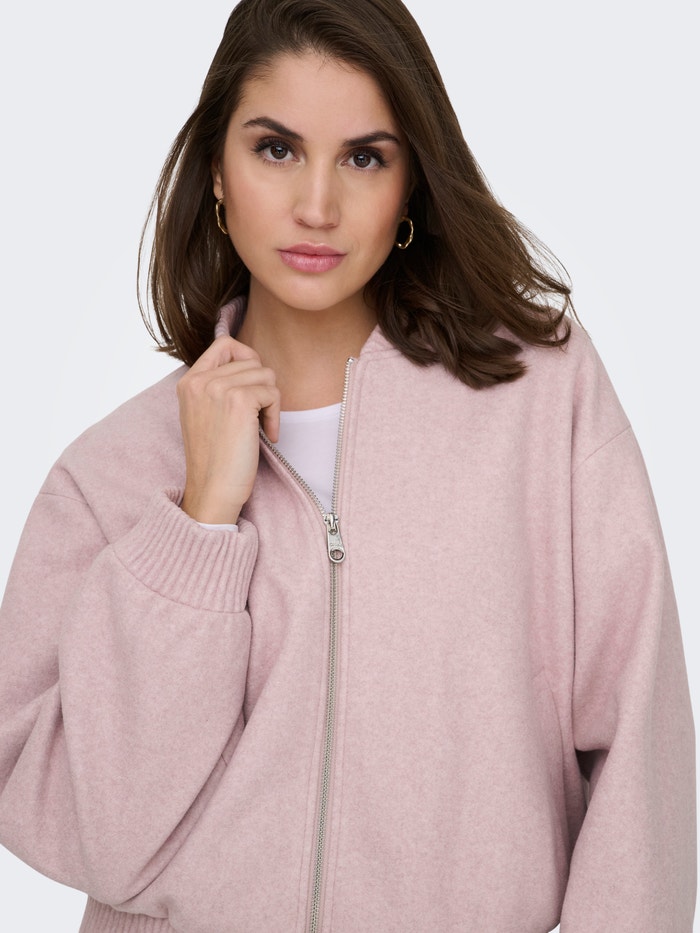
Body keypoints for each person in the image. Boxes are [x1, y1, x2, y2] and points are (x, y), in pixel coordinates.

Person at [0, 0, 695, 929]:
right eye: (276, 149)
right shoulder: (110, 477)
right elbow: (92, 833)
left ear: (412, 185)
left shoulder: (538, 401)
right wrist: (198, 524)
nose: (318, 206)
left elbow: (639, 749)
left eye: (364, 157)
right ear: (216, 171)